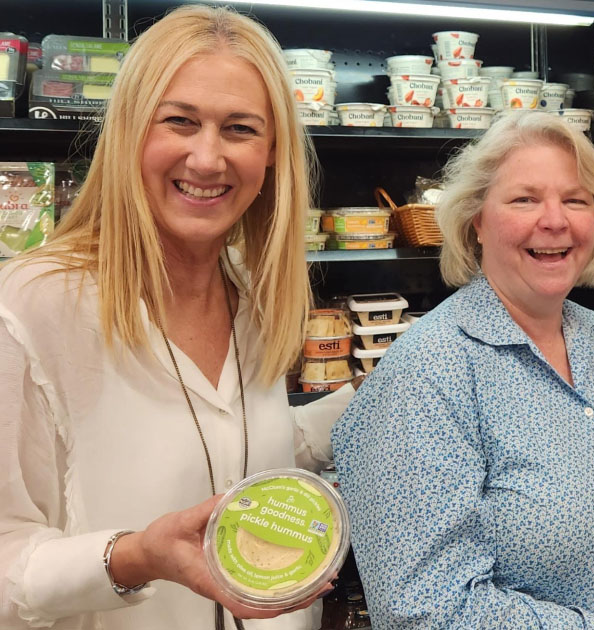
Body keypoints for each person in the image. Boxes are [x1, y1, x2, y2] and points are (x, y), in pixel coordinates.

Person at [0, 5, 354, 629]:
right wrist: (133, 558)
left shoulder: (254, 289)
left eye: (240, 129)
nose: (208, 158)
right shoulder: (32, 304)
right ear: (132, 131)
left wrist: (400, 389)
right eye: (180, 122)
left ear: (272, 153)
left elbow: (240, 451)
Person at [332, 112, 594, 629]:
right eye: (524, 199)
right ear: (477, 220)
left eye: (576, 200)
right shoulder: (427, 373)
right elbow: (422, 611)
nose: (555, 220)